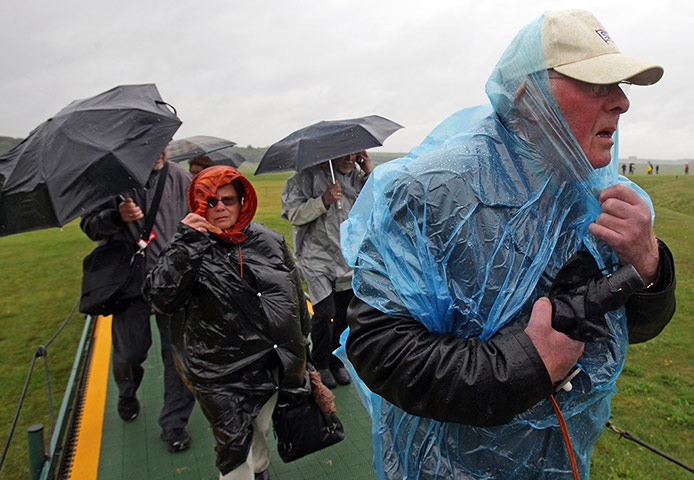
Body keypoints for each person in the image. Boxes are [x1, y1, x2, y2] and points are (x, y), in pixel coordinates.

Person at [338, 9, 676, 479]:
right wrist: (524, 365)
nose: (622, 103)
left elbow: (627, 328)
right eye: (598, 86)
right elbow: (380, 347)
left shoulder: (599, 198)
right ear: (530, 97)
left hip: (564, 459)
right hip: (448, 466)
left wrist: (649, 266)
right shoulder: (431, 192)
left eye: (621, 88)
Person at [143, 166, 311, 480]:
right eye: (210, 201)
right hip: (219, 370)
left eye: (228, 200)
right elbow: (160, 297)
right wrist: (186, 243)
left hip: (266, 361)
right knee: (234, 443)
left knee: (259, 428)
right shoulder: (189, 245)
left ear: (241, 200)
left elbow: (294, 296)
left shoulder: (268, 240)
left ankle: (259, 470)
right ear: (197, 204)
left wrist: (302, 348)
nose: (219, 207)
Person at [80, 147, 196, 452]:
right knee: (130, 353)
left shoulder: (182, 179)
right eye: (148, 145)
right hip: (130, 284)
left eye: (163, 143)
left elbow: (198, 223)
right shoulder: (110, 182)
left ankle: (174, 423)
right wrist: (115, 217)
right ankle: (127, 390)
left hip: (173, 283)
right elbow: (89, 225)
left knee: (179, 357)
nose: (158, 151)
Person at [281, 151, 372, 388]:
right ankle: (320, 364)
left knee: (344, 313)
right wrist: (323, 201)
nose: (350, 159)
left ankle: (335, 360)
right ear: (330, 154)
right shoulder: (304, 178)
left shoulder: (358, 177)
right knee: (325, 313)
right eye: (344, 154)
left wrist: (369, 171)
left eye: (355, 154)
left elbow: (376, 203)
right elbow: (293, 215)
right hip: (316, 258)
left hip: (346, 257)